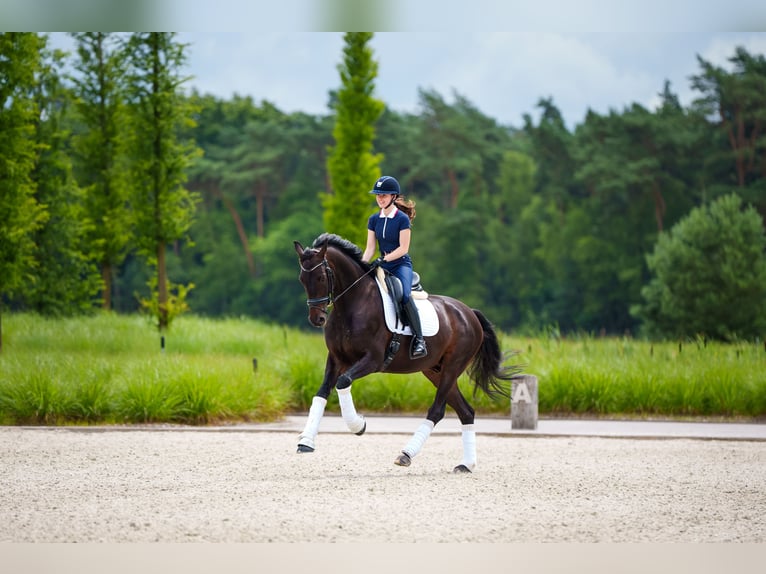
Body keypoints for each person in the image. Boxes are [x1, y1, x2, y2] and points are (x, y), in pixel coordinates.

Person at [362, 175, 427, 359]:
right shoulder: (374, 219)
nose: (380, 198)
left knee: (404, 295)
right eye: (378, 195)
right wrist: (362, 265)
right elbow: (370, 249)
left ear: (393, 197)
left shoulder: (402, 220)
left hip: (400, 265)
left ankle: (419, 340)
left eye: (384, 195)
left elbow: (403, 248)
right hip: (382, 266)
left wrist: (384, 259)